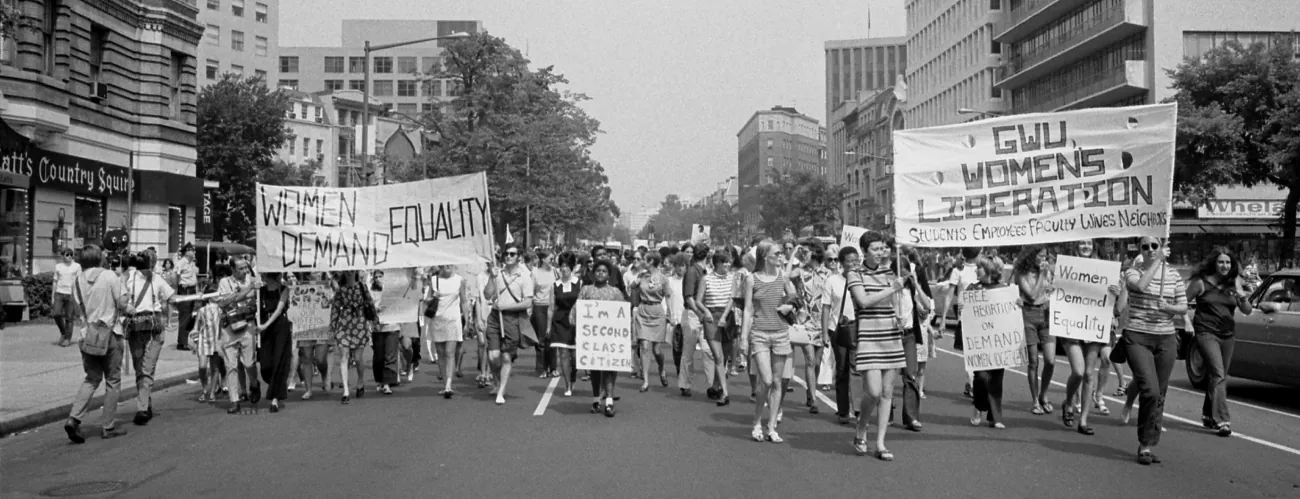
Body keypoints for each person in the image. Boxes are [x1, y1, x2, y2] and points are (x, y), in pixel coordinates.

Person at [1123, 236, 1187, 465]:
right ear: (1139, 250)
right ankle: (1144, 438)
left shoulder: (1173, 275)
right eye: (1145, 247)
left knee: (1160, 393)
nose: (1150, 250)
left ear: (1161, 247)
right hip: (1138, 336)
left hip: (1166, 338)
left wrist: (1169, 307)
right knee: (1149, 389)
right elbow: (1139, 286)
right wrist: (1157, 262)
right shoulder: (1133, 270)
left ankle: (1147, 445)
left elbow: (1183, 305)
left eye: (1154, 246)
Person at [847, 231, 907, 461]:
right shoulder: (855, 274)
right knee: (872, 391)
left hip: (890, 335)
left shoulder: (890, 272)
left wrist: (900, 314)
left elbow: (894, 301)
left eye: (882, 248)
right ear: (864, 251)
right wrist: (892, 289)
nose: (880, 253)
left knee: (887, 392)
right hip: (869, 336)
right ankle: (862, 428)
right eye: (875, 249)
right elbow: (863, 301)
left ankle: (880, 443)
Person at [64, 245, 132, 443]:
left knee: (92, 377)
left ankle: (74, 418)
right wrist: (125, 286)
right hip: (110, 332)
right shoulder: (110, 276)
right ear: (99, 258)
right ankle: (108, 426)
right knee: (113, 380)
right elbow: (122, 302)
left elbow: (77, 309)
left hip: (88, 334)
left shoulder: (77, 280)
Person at [1056, 239, 1122, 435]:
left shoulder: (1102, 268)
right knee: (1078, 371)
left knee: (1088, 374)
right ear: (1076, 246)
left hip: (1093, 327)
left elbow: (1109, 300)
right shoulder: (1066, 267)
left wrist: (1115, 293)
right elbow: (1057, 293)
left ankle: (1083, 420)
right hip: (1072, 327)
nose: (1086, 247)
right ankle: (1069, 402)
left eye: (1089, 244)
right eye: (1083, 243)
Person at [1186, 248, 1252, 437]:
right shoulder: (1201, 283)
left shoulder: (1235, 282)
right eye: (1221, 262)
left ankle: (1208, 413)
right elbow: (1182, 301)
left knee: (1218, 376)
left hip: (1227, 334)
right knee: (1218, 373)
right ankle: (1222, 420)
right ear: (1214, 263)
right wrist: (1185, 321)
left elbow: (1247, 310)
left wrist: (1242, 297)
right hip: (1206, 332)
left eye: (1228, 263)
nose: (1225, 266)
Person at [742, 239, 798, 444]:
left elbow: (794, 296)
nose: (781, 256)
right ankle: (757, 421)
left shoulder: (782, 277)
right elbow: (748, 309)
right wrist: (743, 337)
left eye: (782, 253)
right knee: (765, 381)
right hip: (760, 334)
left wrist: (790, 307)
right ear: (766, 256)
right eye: (777, 253)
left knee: (777, 382)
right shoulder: (752, 279)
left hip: (781, 333)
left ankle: (771, 426)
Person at [121, 252, 175, 426]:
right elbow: (118, 300)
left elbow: (170, 297)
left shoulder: (155, 279)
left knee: (146, 368)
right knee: (140, 369)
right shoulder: (128, 279)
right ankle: (146, 402)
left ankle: (142, 408)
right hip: (141, 327)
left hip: (150, 329)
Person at [574, 259, 628, 417]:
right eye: (598, 271)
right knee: (595, 369)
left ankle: (609, 401)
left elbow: (622, 315)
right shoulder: (586, 290)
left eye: (604, 271)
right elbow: (577, 310)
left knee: (609, 369)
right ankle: (596, 399)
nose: (600, 274)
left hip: (610, 339)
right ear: (593, 273)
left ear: (608, 275)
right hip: (591, 338)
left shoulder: (616, 293)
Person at [483, 243, 534, 405]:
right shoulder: (497, 274)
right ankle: (497, 380)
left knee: (506, 357)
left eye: (512, 254)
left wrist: (506, 306)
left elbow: (527, 303)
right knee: (493, 356)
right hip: (495, 318)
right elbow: (487, 295)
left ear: (519, 256)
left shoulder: (525, 277)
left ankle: (501, 390)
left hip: (512, 319)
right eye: (506, 254)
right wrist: (491, 277)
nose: (509, 257)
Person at [966, 256, 1010, 429]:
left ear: (990, 270)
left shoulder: (1004, 289)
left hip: (998, 341)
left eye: (980, 268)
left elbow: (1010, 312)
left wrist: (1017, 304)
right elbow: (965, 309)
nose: (976, 270)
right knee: (982, 377)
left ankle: (995, 417)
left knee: (997, 379)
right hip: (980, 341)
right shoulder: (973, 288)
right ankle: (979, 405)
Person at [1013, 245, 1056, 415]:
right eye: (1040, 256)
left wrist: (1052, 289)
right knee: (1033, 361)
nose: (1044, 260)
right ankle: (1035, 400)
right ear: (1032, 256)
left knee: (1050, 360)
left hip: (1046, 315)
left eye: (1046, 256)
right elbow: (1031, 294)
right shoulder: (1022, 272)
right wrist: (1042, 275)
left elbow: (1051, 291)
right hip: (1029, 314)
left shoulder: (1048, 271)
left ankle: (1044, 393)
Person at [895, 245, 933, 432]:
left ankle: (911, 417)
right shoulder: (890, 289)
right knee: (885, 380)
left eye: (906, 271)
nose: (904, 274)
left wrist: (916, 283)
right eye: (901, 271)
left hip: (908, 335)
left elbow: (928, 305)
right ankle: (885, 410)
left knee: (910, 376)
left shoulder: (911, 290)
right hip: (890, 336)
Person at [824, 246, 859, 425]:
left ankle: (859, 408)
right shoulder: (832, 281)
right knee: (842, 369)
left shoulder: (863, 280)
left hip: (860, 328)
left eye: (856, 260)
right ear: (841, 263)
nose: (853, 264)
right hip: (839, 329)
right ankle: (843, 410)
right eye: (849, 261)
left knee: (858, 369)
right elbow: (826, 307)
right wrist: (824, 333)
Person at [695, 251, 733, 404]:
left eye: (729, 262)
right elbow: (698, 300)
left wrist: (724, 316)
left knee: (724, 357)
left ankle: (716, 386)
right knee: (718, 356)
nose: (728, 265)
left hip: (727, 316)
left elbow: (732, 298)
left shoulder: (732, 278)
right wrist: (706, 311)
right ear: (717, 264)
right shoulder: (706, 279)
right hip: (711, 316)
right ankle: (725, 392)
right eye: (725, 263)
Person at [632, 253, 673, 392]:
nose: (642, 262)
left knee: (656, 350)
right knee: (643, 346)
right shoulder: (641, 276)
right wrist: (634, 284)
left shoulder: (663, 278)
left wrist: (670, 314)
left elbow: (668, 297)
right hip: (643, 310)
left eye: (644, 260)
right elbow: (631, 289)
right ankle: (645, 381)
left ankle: (661, 369)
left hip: (657, 311)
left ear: (651, 262)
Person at [678, 243, 714, 398]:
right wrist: (699, 313)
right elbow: (688, 297)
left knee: (708, 351)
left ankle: (714, 385)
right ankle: (685, 384)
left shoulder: (704, 271)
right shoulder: (693, 271)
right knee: (689, 351)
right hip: (694, 315)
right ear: (706, 256)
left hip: (703, 314)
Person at [331, 271, 373, 404]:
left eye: (352, 270)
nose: (349, 272)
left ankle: (360, 380)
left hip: (359, 323)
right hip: (344, 324)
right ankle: (346, 391)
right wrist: (332, 326)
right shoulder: (340, 289)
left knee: (358, 358)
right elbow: (335, 308)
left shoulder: (362, 286)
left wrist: (374, 320)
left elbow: (370, 302)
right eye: (347, 270)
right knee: (344, 357)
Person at [429, 265, 471, 398]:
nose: (448, 266)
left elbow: (464, 301)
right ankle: (444, 385)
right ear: (441, 265)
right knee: (441, 353)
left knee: (449, 353)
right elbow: (426, 300)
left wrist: (467, 319)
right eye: (445, 264)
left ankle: (448, 385)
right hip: (437, 320)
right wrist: (432, 297)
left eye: (450, 264)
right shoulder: (434, 279)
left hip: (453, 320)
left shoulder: (460, 280)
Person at [256, 272, 293, 413]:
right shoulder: (260, 291)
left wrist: (265, 325)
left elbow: (279, 309)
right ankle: (276, 385)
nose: (261, 276)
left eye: (263, 274)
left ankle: (274, 399)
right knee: (265, 365)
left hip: (279, 327)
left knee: (278, 360)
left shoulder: (284, 289)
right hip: (265, 327)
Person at [549, 252, 582, 396]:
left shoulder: (579, 284)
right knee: (563, 353)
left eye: (567, 266)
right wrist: (548, 327)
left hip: (576, 321)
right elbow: (551, 307)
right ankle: (568, 385)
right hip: (560, 321)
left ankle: (573, 375)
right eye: (561, 266)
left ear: (572, 267)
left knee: (574, 356)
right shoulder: (555, 285)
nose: (564, 269)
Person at [530, 251, 558, 378]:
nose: (552, 260)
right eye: (550, 258)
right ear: (543, 259)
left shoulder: (555, 271)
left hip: (552, 306)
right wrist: (529, 310)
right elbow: (531, 291)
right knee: (541, 339)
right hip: (539, 307)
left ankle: (553, 367)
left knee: (551, 338)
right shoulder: (535, 272)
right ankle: (541, 368)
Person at [52, 248, 82, 348]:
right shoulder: (58, 266)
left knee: (69, 317)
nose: (69, 256)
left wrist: (78, 296)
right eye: (67, 254)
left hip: (71, 294)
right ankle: (63, 332)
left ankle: (67, 339)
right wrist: (53, 296)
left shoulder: (77, 266)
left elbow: (79, 281)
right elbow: (55, 282)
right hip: (59, 293)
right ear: (62, 256)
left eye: (71, 254)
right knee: (56, 313)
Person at [175, 243, 199, 350]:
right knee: (185, 316)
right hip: (185, 291)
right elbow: (175, 275)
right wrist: (176, 290)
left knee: (189, 316)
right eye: (192, 251)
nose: (193, 253)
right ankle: (182, 342)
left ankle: (183, 340)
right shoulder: (181, 263)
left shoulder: (190, 263)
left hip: (191, 290)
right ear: (187, 252)